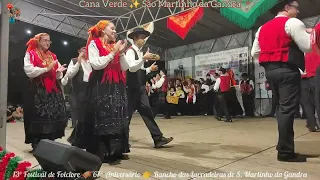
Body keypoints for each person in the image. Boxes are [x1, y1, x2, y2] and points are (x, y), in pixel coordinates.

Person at [251, 0, 313, 162]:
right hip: (287, 70)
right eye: (296, 8)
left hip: (270, 72)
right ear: (287, 8)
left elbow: (255, 52)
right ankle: (285, 152)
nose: (298, 11)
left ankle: (282, 145)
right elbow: (307, 47)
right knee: (287, 110)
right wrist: (308, 33)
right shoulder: (293, 22)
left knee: (281, 109)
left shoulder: (262, 28)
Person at [83, 20, 146, 162]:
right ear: (103, 30)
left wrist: (121, 53)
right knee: (102, 117)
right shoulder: (95, 43)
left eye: (115, 29)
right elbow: (96, 64)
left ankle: (116, 151)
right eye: (112, 28)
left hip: (117, 85)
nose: (114, 31)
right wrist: (113, 53)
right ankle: (102, 151)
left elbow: (124, 67)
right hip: (101, 85)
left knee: (118, 116)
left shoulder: (114, 45)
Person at [126, 27, 173, 148]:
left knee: (148, 113)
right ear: (135, 38)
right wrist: (143, 58)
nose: (144, 40)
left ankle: (158, 138)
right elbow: (131, 68)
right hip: (130, 89)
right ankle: (122, 141)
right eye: (141, 37)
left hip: (140, 89)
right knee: (126, 117)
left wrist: (148, 69)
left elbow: (139, 70)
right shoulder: (130, 51)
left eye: (144, 38)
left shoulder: (140, 53)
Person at [23, 33, 68, 152]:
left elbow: (58, 75)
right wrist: (46, 69)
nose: (47, 43)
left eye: (49, 41)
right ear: (38, 41)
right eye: (45, 40)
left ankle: (50, 142)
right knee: (39, 116)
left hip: (53, 90)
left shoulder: (52, 56)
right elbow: (29, 70)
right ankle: (37, 145)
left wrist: (59, 72)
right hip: (38, 89)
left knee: (52, 115)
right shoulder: (31, 54)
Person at [61, 46, 93, 148]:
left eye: (86, 49)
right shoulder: (74, 61)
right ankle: (76, 139)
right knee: (79, 116)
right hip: (78, 92)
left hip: (89, 91)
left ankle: (82, 138)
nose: (85, 51)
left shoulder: (90, 62)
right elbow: (70, 74)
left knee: (87, 116)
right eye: (83, 49)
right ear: (79, 51)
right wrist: (78, 61)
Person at [300, 52, 320, 132]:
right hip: (316, 76)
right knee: (318, 102)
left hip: (303, 78)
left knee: (307, 103)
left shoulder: (303, 50)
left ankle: (312, 124)